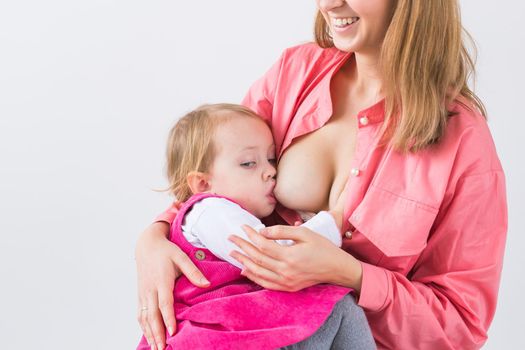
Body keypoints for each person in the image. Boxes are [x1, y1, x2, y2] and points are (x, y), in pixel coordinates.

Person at [135, 1, 507, 349]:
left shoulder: (463, 141)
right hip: (238, 331)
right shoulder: (294, 74)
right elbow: (215, 176)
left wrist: (352, 274)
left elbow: (461, 325)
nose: (329, 3)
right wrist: (155, 236)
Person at [137, 103, 375, 349]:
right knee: (337, 307)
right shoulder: (210, 211)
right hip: (214, 336)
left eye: (271, 159)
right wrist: (336, 217)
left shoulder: (223, 215)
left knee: (337, 306)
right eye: (249, 163)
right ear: (203, 183)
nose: (270, 172)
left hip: (238, 326)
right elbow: (273, 255)